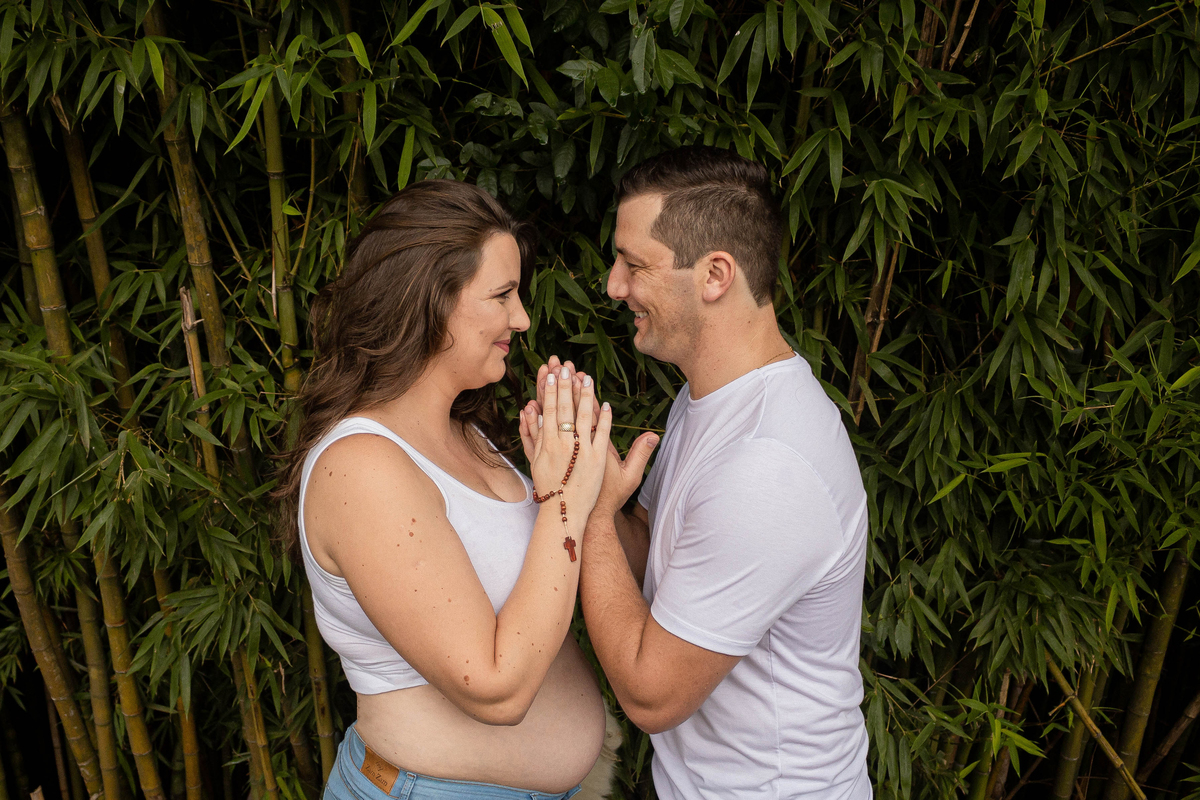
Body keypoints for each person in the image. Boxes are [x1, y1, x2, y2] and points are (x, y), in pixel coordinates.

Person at [541, 147, 872, 799]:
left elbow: (650, 694)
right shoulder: (708, 401)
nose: (612, 285)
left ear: (715, 274)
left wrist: (589, 513)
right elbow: (659, 569)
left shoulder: (769, 464)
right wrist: (598, 492)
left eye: (633, 264)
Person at [275, 180, 613, 800]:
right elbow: (495, 686)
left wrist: (593, 495)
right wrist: (567, 499)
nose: (523, 318)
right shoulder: (361, 467)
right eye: (503, 295)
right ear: (433, 301)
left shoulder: (471, 438)